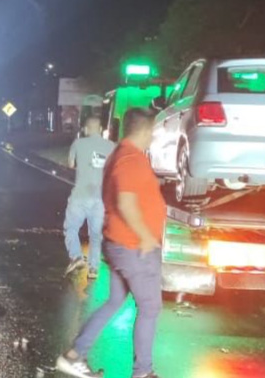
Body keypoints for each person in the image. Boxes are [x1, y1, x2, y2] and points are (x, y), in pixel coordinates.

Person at [56, 108, 164, 378]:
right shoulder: (130, 159)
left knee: (114, 301)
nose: (153, 136)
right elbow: (127, 202)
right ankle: (143, 372)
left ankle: (75, 354)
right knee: (150, 308)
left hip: (119, 242)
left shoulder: (121, 154)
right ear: (145, 130)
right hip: (133, 246)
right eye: (152, 131)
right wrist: (146, 236)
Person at [64, 115, 116, 279]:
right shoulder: (111, 146)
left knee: (71, 228)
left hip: (80, 195)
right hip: (100, 198)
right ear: (101, 130)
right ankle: (93, 269)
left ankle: (77, 256)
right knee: (96, 235)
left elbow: (71, 164)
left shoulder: (78, 143)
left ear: (86, 130)